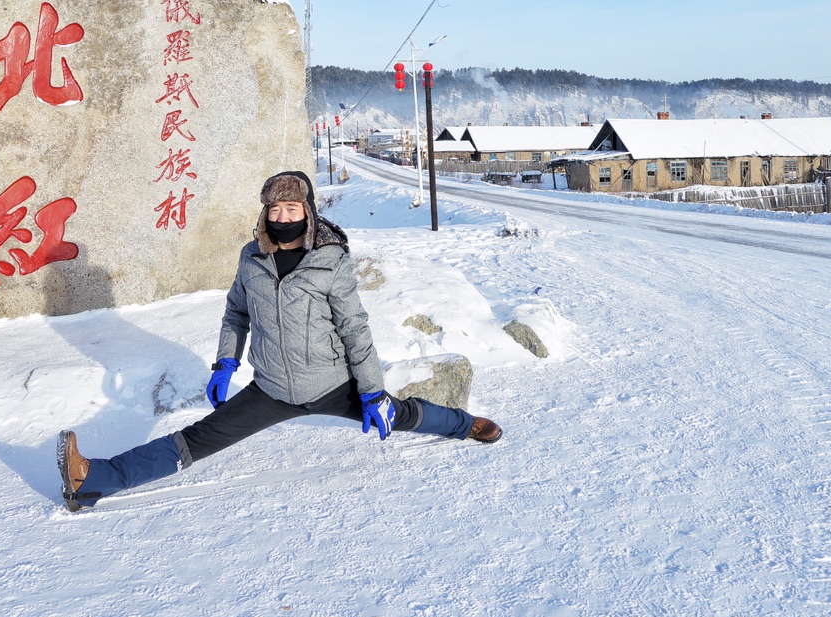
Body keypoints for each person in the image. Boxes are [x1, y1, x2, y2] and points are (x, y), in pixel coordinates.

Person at [58, 169, 500, 510]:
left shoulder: (329, 258)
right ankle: (93, 479)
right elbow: (236, 312)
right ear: (265, 213)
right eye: (276, 209)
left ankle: (465, 425)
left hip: (330, 385)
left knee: (400, 414)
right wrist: (225, 364)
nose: (283, 217)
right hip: (270, 388)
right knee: (195, 441)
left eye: (292, 209)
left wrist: (371, 392)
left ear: (308, 211)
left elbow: (354, 328)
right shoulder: (251, 257)